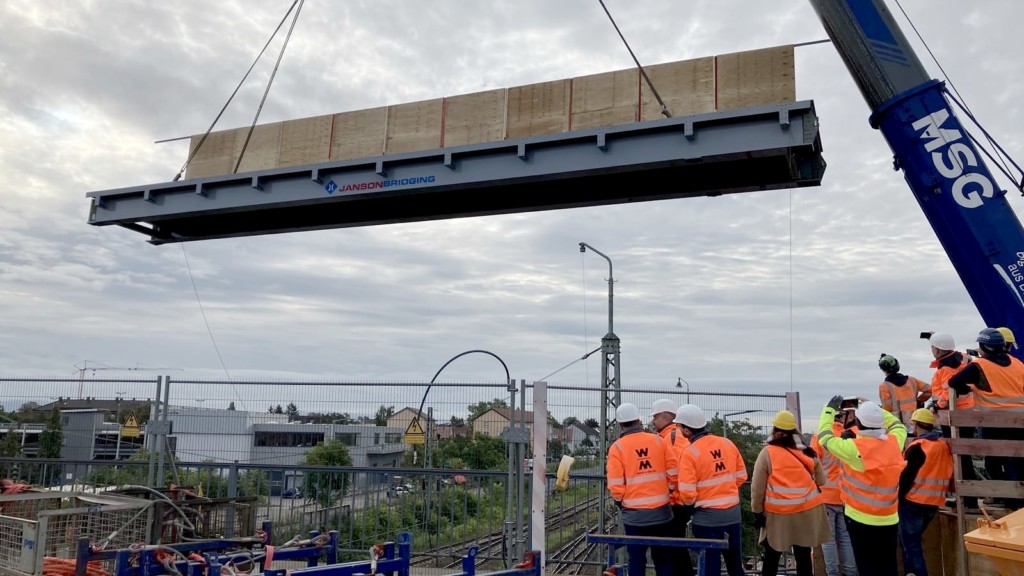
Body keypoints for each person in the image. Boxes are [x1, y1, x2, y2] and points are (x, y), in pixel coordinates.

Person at [817, 397, 907, 576]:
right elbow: (898, 425)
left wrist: (828, 410)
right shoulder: (894, 442)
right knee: (888, 566)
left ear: (857, 422)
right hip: (889, 517)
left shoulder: (853, 448)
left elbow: (824, 438)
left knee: (867, 566)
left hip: (859, 518)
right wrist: (874, 408)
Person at [947, 328, 1024, 508]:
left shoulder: (980, 365)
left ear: (984, 346)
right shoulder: (1017, 363)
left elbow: (953, 382)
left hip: (994, 421)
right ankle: (1019, 498)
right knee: (1019, 460)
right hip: (1020, 422)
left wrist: (970, 388)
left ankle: (1009, 500)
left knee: (995, 460)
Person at [751, 410, 832, 576]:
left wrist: (757, 512)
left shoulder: (767, 453)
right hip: (807, 511)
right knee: (803, 556)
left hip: (778, 514)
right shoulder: (808, 452)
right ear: (795, 430)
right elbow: (821, 481)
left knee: (772, 556)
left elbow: (757, 488)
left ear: (774, 429)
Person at [675, 403, 747, 576]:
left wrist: (691, 507)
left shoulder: (689, 453)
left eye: (678, 426)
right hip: (732, 515)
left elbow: (687, 494)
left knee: (709, 567)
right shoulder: (727, 443)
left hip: (706, 520)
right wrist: (724, 491)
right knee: (735, 565)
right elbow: (741, 476)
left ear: (686, 430)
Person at [606, 402, 677, 576]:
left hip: (634, 515)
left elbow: (615, 484)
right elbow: (673, 472)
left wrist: (621, 501)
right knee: (663, 558)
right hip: (661, 512)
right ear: (638, 420)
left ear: (621, 424)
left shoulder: (617, 448)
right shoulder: (658, 441)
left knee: (636, 559)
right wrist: (668, 491)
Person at [926, 332, 978, 508]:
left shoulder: (945, 368)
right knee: (964, 456)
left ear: (939, 350)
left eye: (933, 347)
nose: (932, 350)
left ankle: (967, 500)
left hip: (953, 416)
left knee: (959, 458)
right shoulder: (963, 358)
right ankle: (969, 498)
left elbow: (948, 393)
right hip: (968, 412)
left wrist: (936, 407)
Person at [899, 408, 953, 576]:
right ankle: (910, 573)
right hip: (933, 503)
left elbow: (906, 477)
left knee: (912, 546)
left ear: (915, 425)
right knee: (910, 543)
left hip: (913, 502)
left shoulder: (918, 447)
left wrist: (898, 498)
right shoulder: (943, 445)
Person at [810, 408, 858, 576]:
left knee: (828, 540)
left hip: (824, 495)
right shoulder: (851, 437)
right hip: (845, 495)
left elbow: (811, 466)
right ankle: (851, 572)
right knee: (845, 538)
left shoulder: (819, 438)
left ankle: (832, 573)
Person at [649, 398, 693, 576]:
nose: (653, 421)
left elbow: (674, 469)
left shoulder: (671, 438)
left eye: (656, 418)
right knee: (676, 547)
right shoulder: (674, 435)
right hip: (679, 502)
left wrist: (668, 491)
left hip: (674, 503)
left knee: (672, 548)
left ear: (666, 418)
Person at [877, 354, 931, 433]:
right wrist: (919, 401)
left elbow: (887, 408)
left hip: (897, 426)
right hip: (914, 423)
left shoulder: (884, 386)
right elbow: (930, 390)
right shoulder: (912, 380)